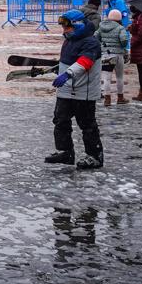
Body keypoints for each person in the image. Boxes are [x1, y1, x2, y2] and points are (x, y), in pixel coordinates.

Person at [46, 9, 104, 169]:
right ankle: (66, 152)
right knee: (60, 121)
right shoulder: (69, 41)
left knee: (87, 125)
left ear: (77, 25)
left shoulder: (91, 42)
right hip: (65, 90)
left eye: (67, 27)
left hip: (83, 91)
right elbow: (67, 62)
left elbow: (85, 62)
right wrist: (58, 70)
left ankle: (95, 155)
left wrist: (67, 74)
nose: (64, 31)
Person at [98, 8, 130, 106]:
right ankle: (120, 98)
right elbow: (124, 41)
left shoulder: (101, 26)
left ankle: (107, 99)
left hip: (105, 55)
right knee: (119, 77)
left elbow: (96, 37)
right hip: (118, 55)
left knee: (106, 78)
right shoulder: (120, 28)